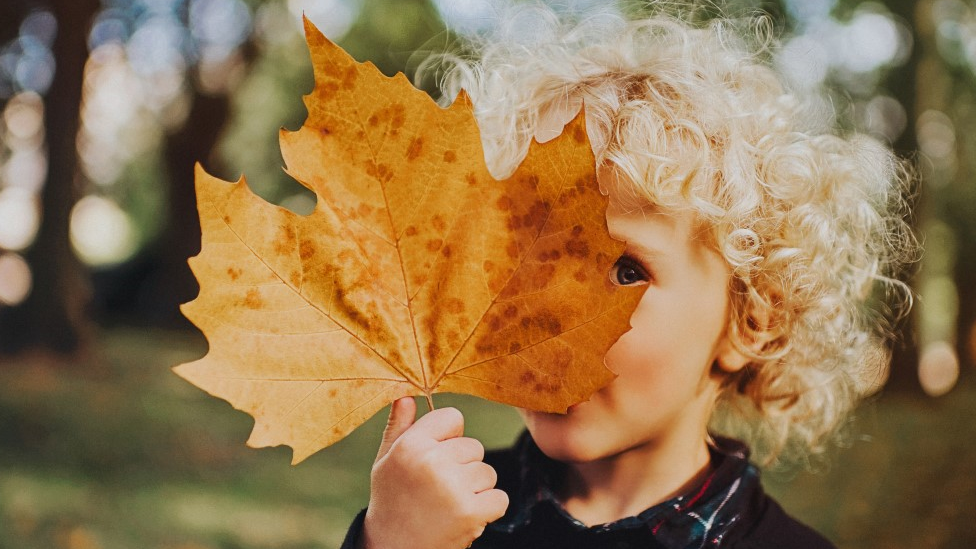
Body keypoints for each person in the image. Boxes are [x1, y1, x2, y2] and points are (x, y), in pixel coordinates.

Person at [340, 4, 915, 548]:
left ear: (753, 320)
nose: (546, 307)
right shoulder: (443, 515)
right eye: (522, 257)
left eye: (624, 270)